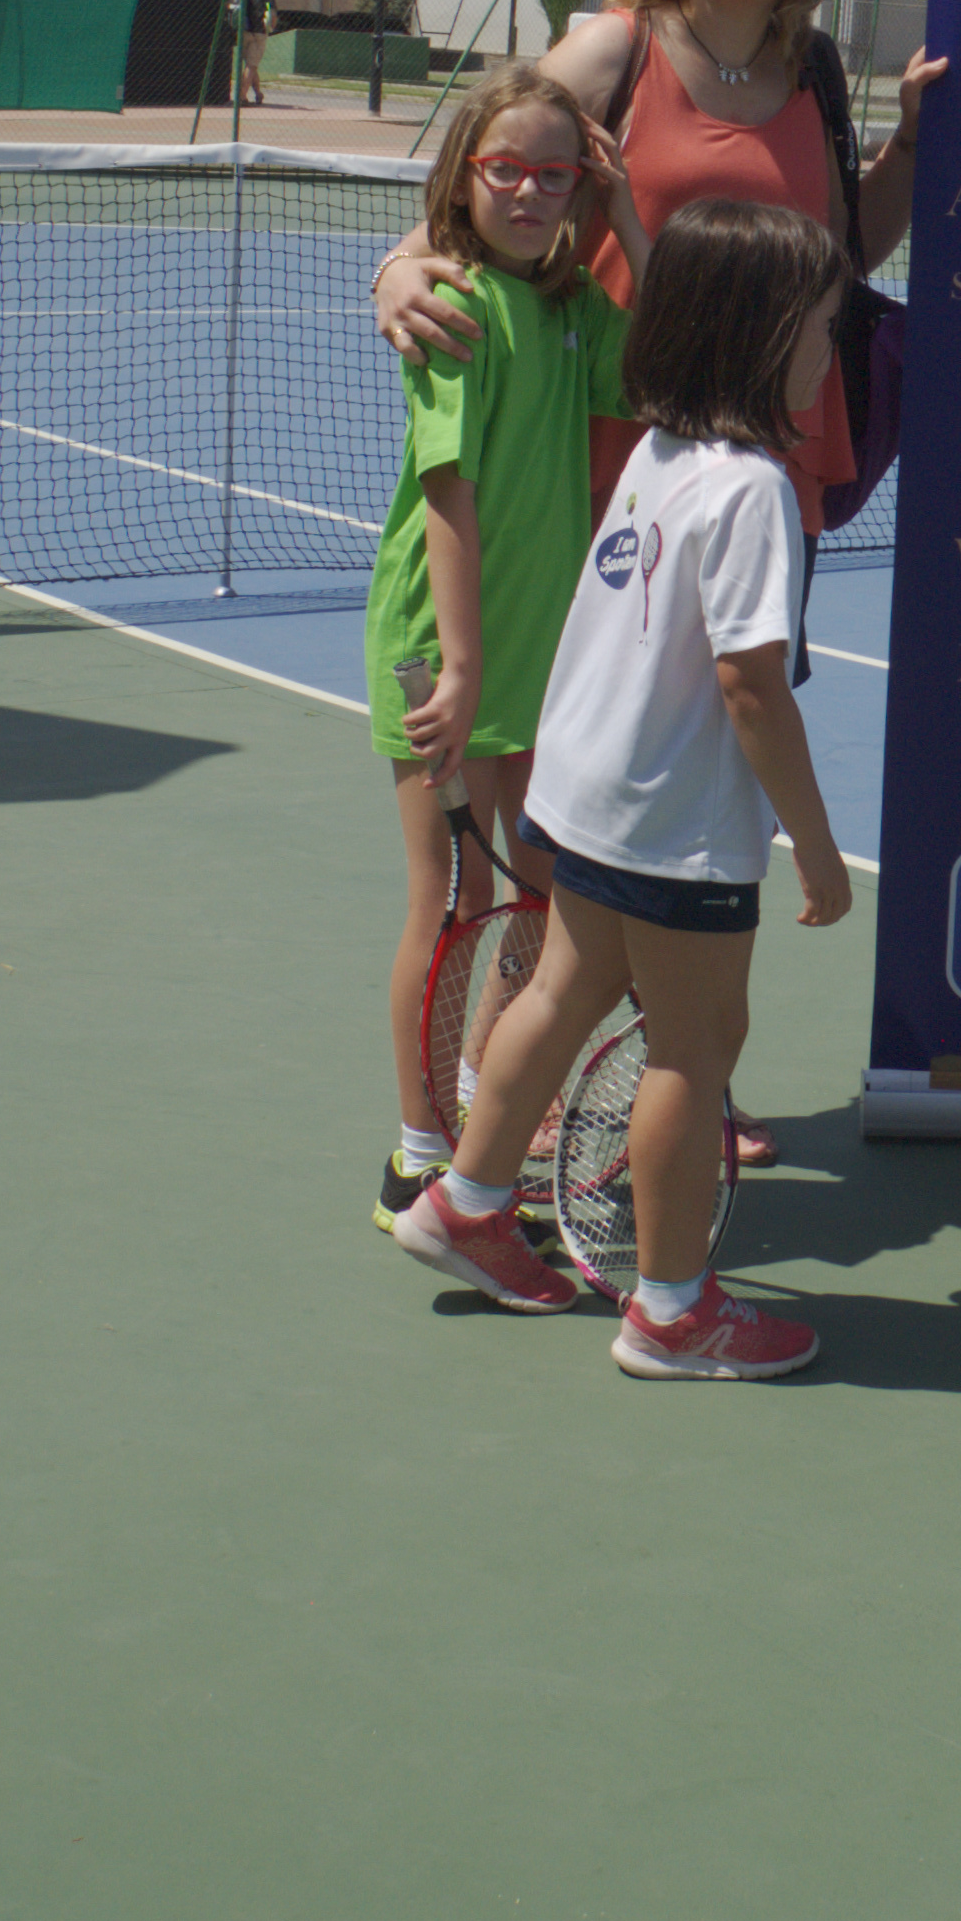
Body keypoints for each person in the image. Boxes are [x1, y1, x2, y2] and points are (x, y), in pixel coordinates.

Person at [372, 0, 943, 1161]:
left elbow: (846, 252)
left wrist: (910, 147)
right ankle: (529, 1102)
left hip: (760, 464)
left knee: (695, 786)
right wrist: (399, 265)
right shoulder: (617, 50)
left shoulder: (812, 71)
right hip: (613, 470)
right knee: (589, 802)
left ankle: (673, 1069)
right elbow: (490, 166)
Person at [394, 195, 855, 1373]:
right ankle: (672, 1311)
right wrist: (812, 844)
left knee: (563, 990)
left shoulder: (661, 451)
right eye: (820, 327)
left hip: (585, 792)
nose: (831, 350)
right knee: (695, 1049)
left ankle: (466, 1203)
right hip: (671, 822)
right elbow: (752, 687)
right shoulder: (752, 491)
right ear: (760, 337)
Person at [365, 64, 637, 1233]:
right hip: (444, 654)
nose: (529, 191)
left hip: (541, 656)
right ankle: (419, 1154)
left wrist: (628, 224)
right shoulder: (456, 307)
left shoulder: (573, 312)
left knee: (537, 891)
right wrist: (464, 669)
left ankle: (486, 1112)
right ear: (463, 175)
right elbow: (449, 496)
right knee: (454, 895)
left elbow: (666, 358)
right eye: (507, 168)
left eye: (555, 174)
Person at [241, 0, 280, 105]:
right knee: (252, 65)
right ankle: (242, 97)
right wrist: (271, 28)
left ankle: (258, 93)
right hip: (259, 32)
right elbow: (272, 14)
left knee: (250, 65)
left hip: (244, 31)